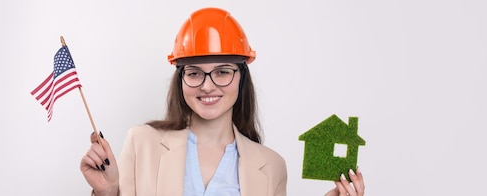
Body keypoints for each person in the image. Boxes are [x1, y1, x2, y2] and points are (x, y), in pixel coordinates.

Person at [80, 7, 365, 196]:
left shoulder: (272, 167)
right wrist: (108, 191)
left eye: (222, 72)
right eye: (194, 73)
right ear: (180, 80)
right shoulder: (142, 143)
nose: (207, 85)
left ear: (242, 77)